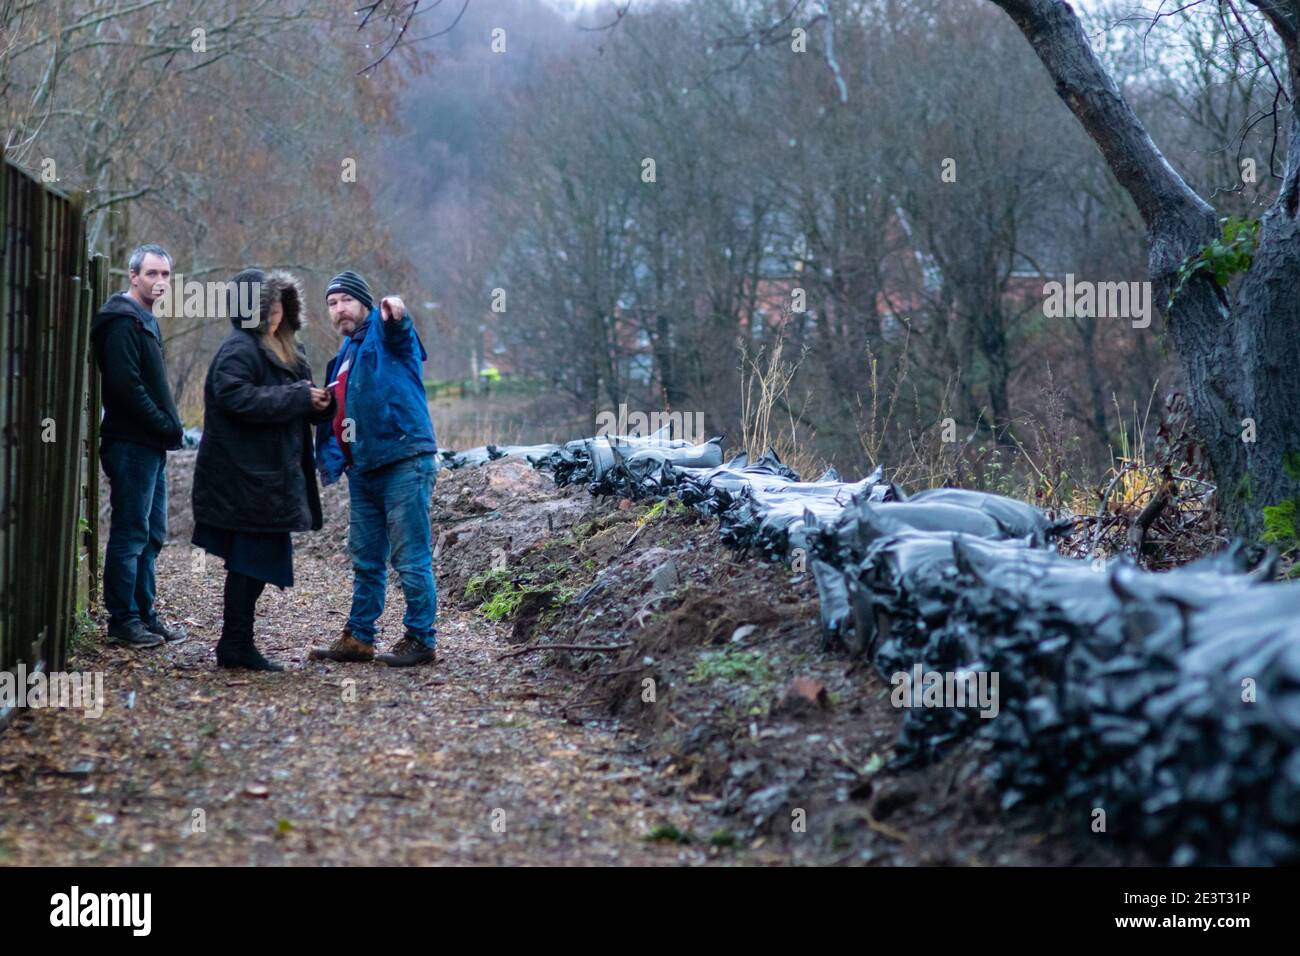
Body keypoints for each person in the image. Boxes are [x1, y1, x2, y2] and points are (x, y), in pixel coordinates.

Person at [191, 269, 334, 671]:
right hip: (245, 481)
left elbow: (296, 404)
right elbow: (237, 398)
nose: (276, 312)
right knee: (247, 564)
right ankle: (234, 645)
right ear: (251, 309)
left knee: (253, 564)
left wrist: (321, 404)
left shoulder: (286, 349)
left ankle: (236, 643)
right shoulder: (240, 349)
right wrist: (297, 396)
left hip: (268, 480)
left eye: (279, 305)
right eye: (269, 305)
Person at [309, 271, 439, 668]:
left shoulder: (384, 335)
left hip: (403, 460)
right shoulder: (345, 354)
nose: (339, 309)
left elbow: (401, 331)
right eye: (332, 303)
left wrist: (397, 313)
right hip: (362, 468)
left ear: (364, 303)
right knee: (366, 558)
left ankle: (421, 639)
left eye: (346, 300)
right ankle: (359, 638)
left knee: (410, 557)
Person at [90, 243, 187, 648]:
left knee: (152, 534)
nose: (160, 281)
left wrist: (165, 429)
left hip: (150, 445)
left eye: (165, 274)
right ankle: (123, 621)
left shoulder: (145, 318)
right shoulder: (122, 320)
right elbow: (125, 385)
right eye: (152, 274)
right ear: (133, 276)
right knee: (130, 534)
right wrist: (164, 423)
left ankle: (145, 614)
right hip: (130, 443)